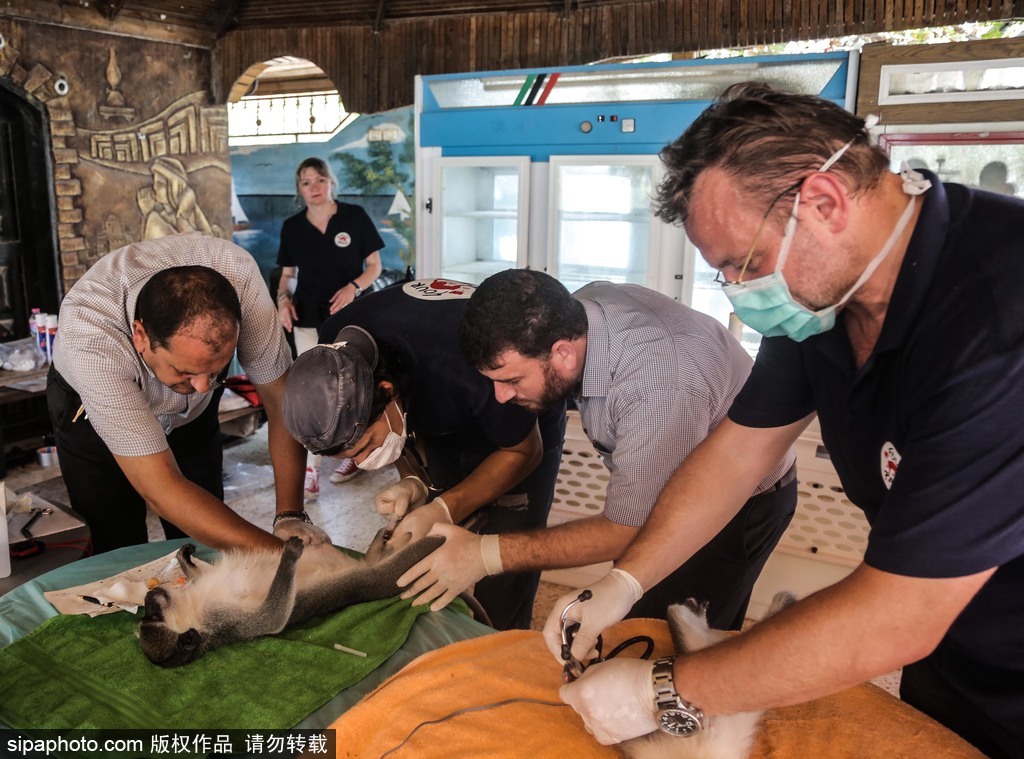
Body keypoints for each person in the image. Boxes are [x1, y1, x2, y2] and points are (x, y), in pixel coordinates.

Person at [546, 83, 1024, 759]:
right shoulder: (827, 296)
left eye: (744, 266)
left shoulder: (998, 321)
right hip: (954, 647)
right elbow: (738, 450)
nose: (743, 295)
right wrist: (627, 579)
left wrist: (666, 688)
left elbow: (897, 616)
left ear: (823, 202)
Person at [397, 270, 798, 631]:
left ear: (563, 353)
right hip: (682, 477)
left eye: (512, 380)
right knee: (635, 625)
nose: (500, 397)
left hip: (741, 505)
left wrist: (484, 554)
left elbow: (628, 529)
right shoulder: (584, 309)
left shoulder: (655, 386)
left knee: (674, 642)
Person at [280, 277, 566, 631]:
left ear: (387, 390)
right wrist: (415, 479)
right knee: (431, 539)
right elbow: (401, 421)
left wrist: (444, 507)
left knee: (503, 560)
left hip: (514, 407)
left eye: (367, 446)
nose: (366, 462)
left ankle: (501, 641)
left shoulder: (466, 366)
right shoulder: (335, 356)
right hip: (437, 396)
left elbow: (525, 450)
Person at [48, 232, 310, 555]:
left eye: (216, 370)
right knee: (118, 546)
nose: (203, 387)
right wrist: (286, 557)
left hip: (191, 423)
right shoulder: (92, 340)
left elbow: (281, 400)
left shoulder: (239, 277)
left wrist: (290, 516)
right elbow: (161, 489)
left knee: (206, 545)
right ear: (140, 336)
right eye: (185, 372)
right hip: (91, 414)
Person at [275, 157, 384, 498]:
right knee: (313, 390)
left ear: (331, 182)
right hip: (307, 317)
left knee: (356, 385)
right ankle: (311, 469)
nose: (314, 187)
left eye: (320, 180)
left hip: (351, 316)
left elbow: (375, 266)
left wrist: (353, 287)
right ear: (299, 189)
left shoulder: (354, 216)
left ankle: (356, 454)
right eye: (306, 182)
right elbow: (288, 275)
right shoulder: (293, 227)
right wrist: (282, 299)